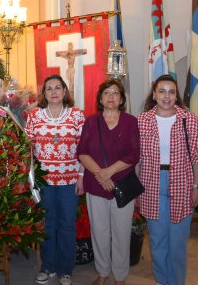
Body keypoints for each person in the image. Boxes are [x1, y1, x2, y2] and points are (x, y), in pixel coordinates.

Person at [137, 75, 198, 285]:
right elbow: (136, 159)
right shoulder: (142, 121)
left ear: (176, 95)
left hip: (183, 184)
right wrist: (137, 189)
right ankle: (161, 280)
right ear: (154, 94)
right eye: (162, 91)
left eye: (171, 91)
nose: (167, 96)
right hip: (151, 184)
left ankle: (176, 281)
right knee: (157, 240)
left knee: (177, 241)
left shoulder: (189, 119)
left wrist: (197, 186)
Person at [77, 79, 140, 285]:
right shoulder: (91, 122)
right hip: (96, 186)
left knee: (122, 234)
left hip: (122, 185)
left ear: (121, 98)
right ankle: (103, 272)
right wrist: (100, 174)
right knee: (99, 232)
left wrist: (109, 173)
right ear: (100, 99)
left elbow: (134, 154)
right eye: (106, 93)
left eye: (115, 93)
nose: (111, 96)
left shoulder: (131, 122)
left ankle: (120, 277)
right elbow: (82, 153)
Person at [25, 75, 85, 285]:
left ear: (65, 91)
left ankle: (65, 270)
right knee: (47, 225)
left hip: (69, 180)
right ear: (44, 94)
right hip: (44, 183)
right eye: (49, 88)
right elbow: (27, 150)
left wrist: (81, 176)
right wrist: (30, 179)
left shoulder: (77, 116)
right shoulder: (34, 116)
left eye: (57, 88)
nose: (53, 92)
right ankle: (48, 266)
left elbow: (85, 150)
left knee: (67, 225)